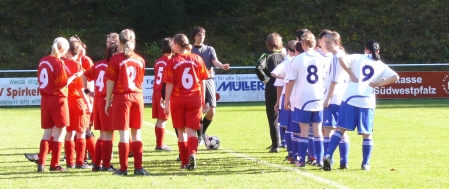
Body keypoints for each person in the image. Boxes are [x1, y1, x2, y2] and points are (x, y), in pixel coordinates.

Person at [322, 40, 399, 171]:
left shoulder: (357, 57)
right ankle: (365, 164)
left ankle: (328, 156)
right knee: (367, 134)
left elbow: (340, 57)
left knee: (340, 129)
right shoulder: (380, 64)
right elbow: (395, 77)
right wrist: (376, 84)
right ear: (378, 51)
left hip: (350, 97)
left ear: (365, 49)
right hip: (367, 100)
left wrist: (351, 73)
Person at [104, 29, 149, 176]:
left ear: (120, 43)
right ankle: (139, 168)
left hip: (122, 98)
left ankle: (123, 169)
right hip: (137, 96)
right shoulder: (140, 60)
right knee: (137, 134)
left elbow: (110, 82)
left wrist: (107, 100)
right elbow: (140, 81)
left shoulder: (116, 59)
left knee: (124, 134)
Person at [163, 34, 209, 170]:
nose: (171, 46)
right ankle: (193, 154)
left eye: (173, 44)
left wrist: (166, 103)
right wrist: (203, 100)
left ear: (177, 45)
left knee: (181, 132)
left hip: (178, 99)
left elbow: (169, 84)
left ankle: (184, 162)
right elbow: (202, 81)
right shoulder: (197, 58)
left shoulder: (172, 61)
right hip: (194, 98)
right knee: (191, 131)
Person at [36, 37, 81, 172]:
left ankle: (41, 163)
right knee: (61, 131)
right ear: (63, 49)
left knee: (47, 132)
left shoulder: (42, 60)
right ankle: (54, 164)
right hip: (58, 99)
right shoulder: (58, 62)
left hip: (45, 99)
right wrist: (74, 76)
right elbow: (62, 84)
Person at [284, 31, 327, 167]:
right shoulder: (322, 59)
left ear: (302, 43)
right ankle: (319, 160)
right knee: (317, 130)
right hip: (318, 98)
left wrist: (287, 99)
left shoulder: (298, 59)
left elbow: (291, 81)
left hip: (303, 99)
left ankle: (302, 160)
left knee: (303, 131)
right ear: (314, 43)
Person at [83, 32, 120, 172]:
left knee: (103, 135)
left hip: (98, 100)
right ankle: (106, 165)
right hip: (107, 101)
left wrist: (88, 92)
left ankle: (97, 164)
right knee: (108, 135)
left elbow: (84, 75)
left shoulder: (99, 64)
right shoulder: (115, 65)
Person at [190, 26, 230, 145]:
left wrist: (223, 66)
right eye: (199, 35)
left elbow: (215, 62)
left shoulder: (209, 49)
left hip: (208, 80)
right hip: (195, 82)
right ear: (194, 37)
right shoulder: (190, 50)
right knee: (197, 110)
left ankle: (201, 134)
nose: (201, 37)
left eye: (203, 35)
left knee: (212, 111)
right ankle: (200, 137)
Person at [322, 31, 351, 169]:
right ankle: (344, 161)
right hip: (345, 98)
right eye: (325, 42)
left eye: (328, 42)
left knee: (328, 130)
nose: (326, 45)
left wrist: (327, 98)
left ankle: (329, 161)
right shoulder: (344, 56)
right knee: (341, 131)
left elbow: (334, 81)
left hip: (334, 99)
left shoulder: (335, 58)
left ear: (337, 43)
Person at [271, 40, 303, 162]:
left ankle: (293, 154)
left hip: (290, 96)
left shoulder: (290, 61)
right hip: (307, 97)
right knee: (308, 129)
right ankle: (308, 156)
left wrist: (285, 77)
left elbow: (274, 73)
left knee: (290, 127)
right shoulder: (312, 58)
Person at [62, 40, 92, 169]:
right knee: (80, 132)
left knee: (69, 132)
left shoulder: (61, 63)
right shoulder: (78, 65)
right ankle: (80, 162)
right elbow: (80, 88)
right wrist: (87, 102)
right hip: (77, 100)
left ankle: (69, 161)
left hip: (65, 100)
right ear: (79, 51)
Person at [260, 32, 286, 153]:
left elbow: (258, 67)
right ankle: (287, 143)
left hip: (271, 88)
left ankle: (276, 144)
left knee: (273, 117)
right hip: (286, 87)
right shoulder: (285, 55)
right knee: (287, 116)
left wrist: (265, 79)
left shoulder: (266, 55)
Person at [152, 38, 173, 151]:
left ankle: (159, 143)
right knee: (163, 119)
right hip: (163, 91)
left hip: (156, 90)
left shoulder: (158, 61)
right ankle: (160, 145)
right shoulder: (170, 61)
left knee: (160, 119)